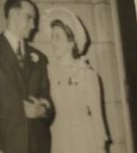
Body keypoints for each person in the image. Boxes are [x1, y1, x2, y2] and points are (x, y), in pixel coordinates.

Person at [0, 0, 53, 153]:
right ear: (13, 14)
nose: (33, 26)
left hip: (39, 145)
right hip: (8, 146)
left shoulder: (40, 58)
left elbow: (48, 101)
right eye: (29, 18)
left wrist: (43, 110)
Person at [45, 8, 109, 153]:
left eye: (57, 37)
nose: (53, 41)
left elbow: (97, 115)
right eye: (52, 36)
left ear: (71, 42)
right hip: (59, 138)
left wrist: (101, 147)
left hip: (84, 139)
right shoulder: (49, 74)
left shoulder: (86, 74)